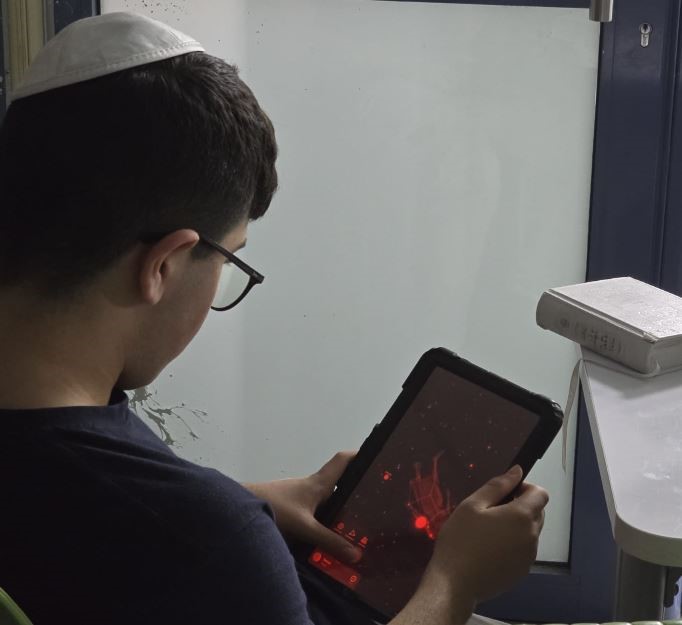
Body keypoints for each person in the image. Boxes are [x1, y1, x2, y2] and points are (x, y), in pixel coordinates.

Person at [0, 11, 549, 625]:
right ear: (165, 264)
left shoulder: (176, 520)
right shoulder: (211, 544)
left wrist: (248, 501)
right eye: (228, 259)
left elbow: (73, 518)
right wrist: (455, 583)